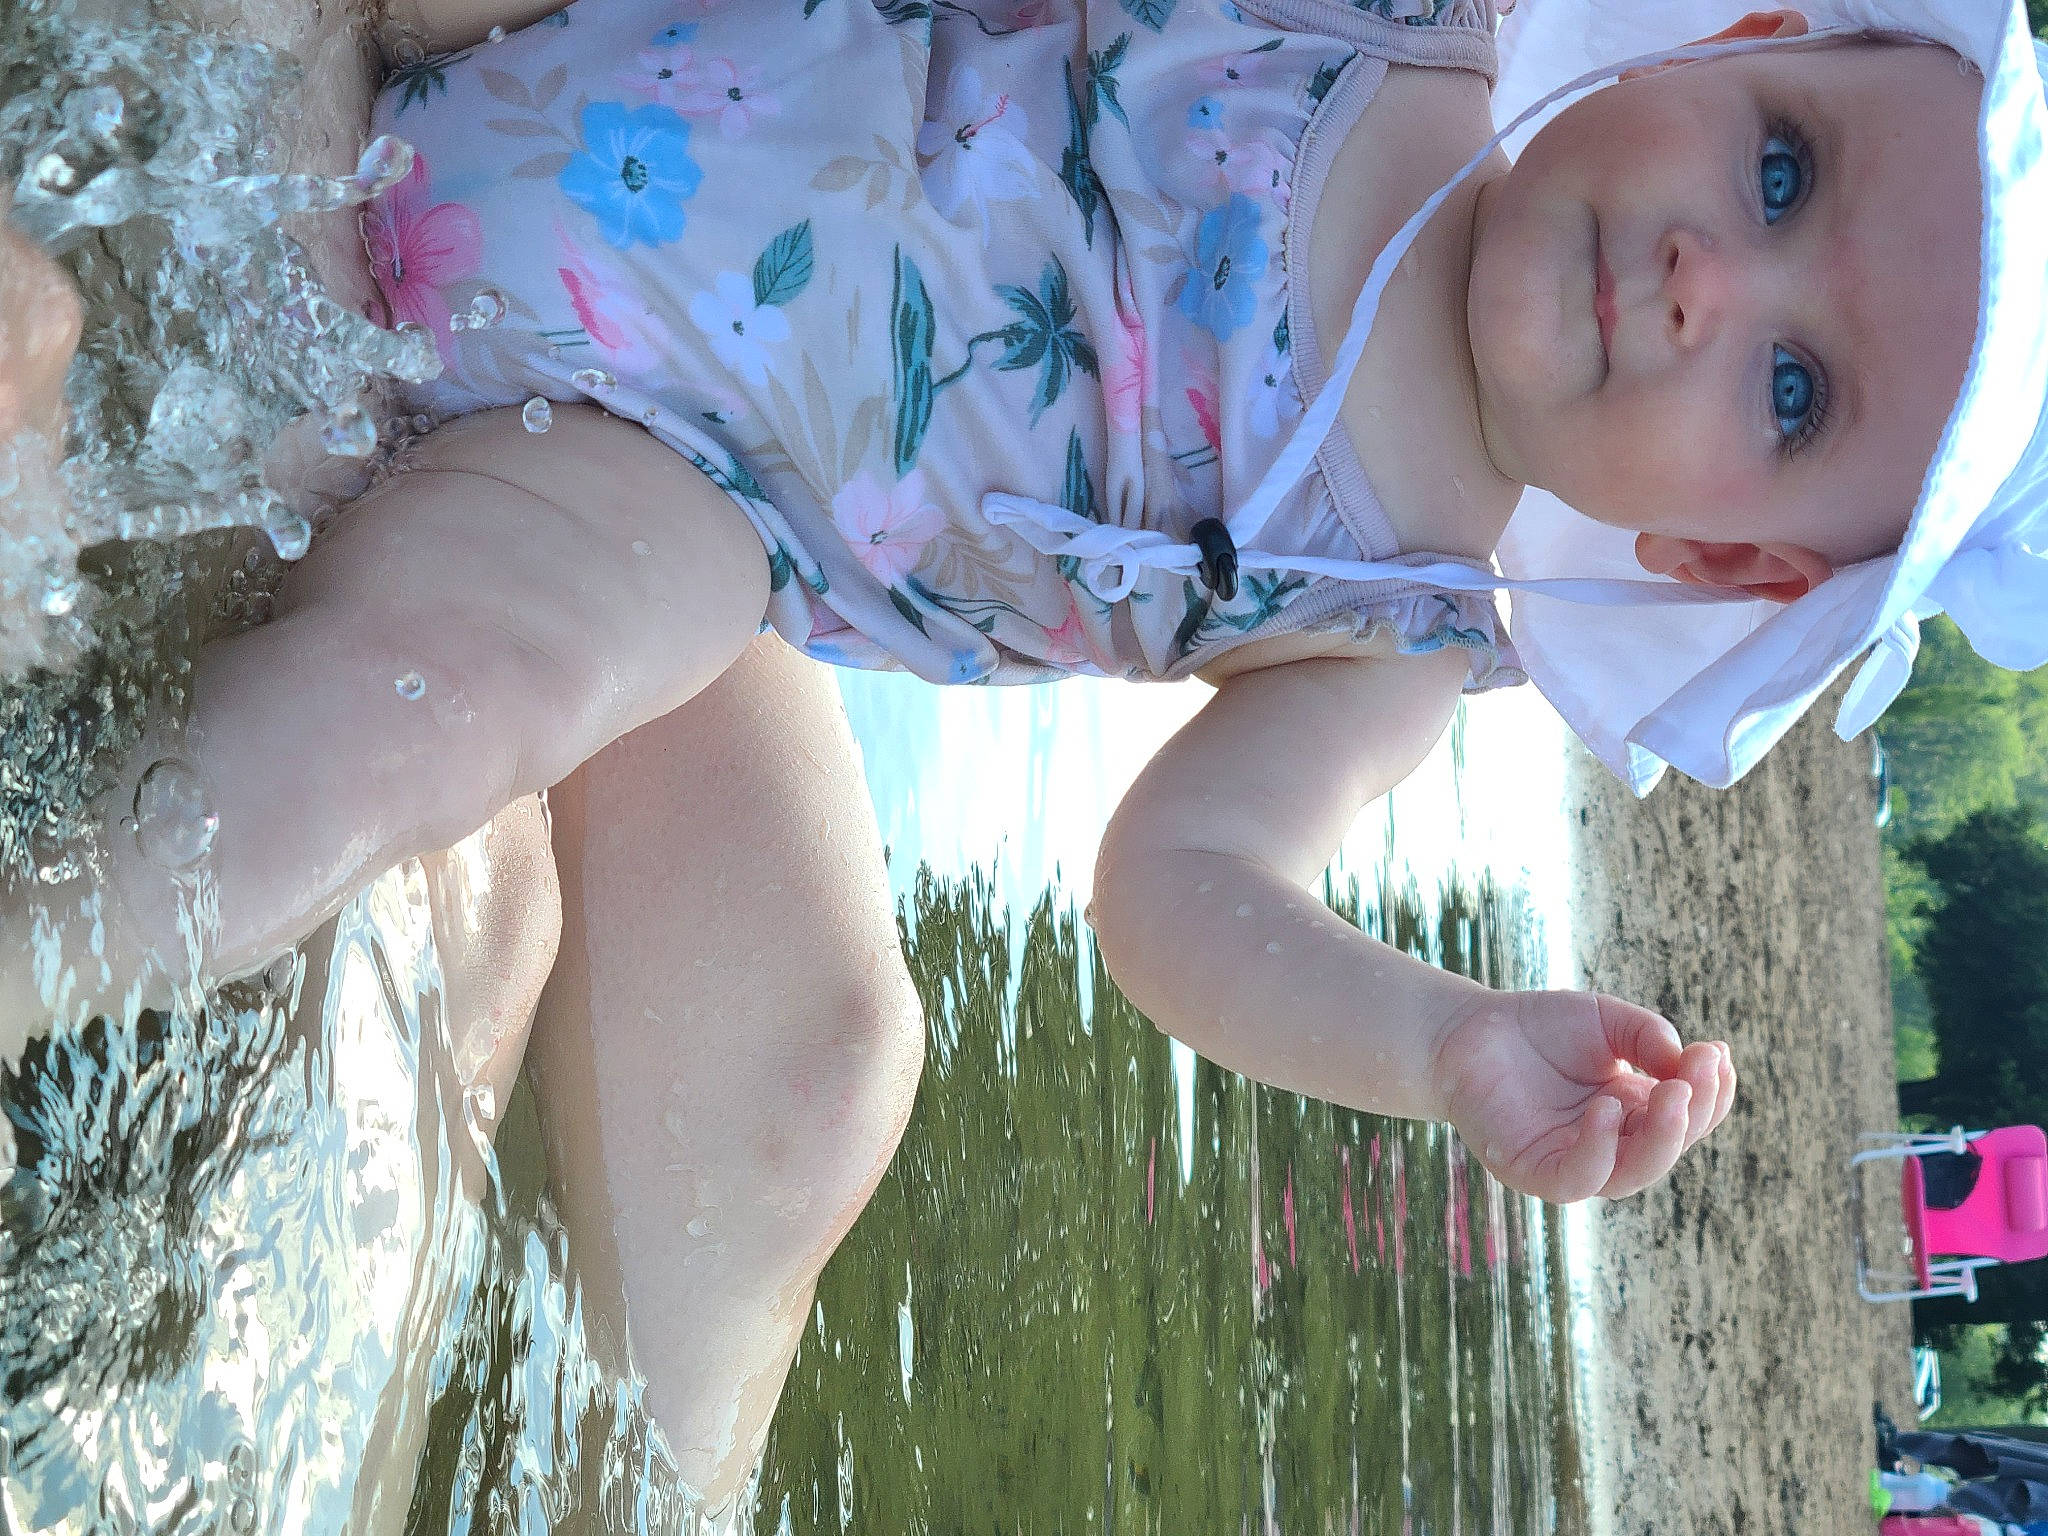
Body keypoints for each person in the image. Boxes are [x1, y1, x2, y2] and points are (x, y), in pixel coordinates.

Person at [4, 0, 2046, 1508]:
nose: (1707, 273)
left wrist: (1436, 1044)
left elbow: (1179, 897)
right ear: (1742, 34)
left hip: (661, 488)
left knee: (436, 724)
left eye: (1793, 383)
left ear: (1719, 557)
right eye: (1777, 166)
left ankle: (41, 946)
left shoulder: (1411, 617)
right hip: (628, 44)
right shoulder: (1405, 32)